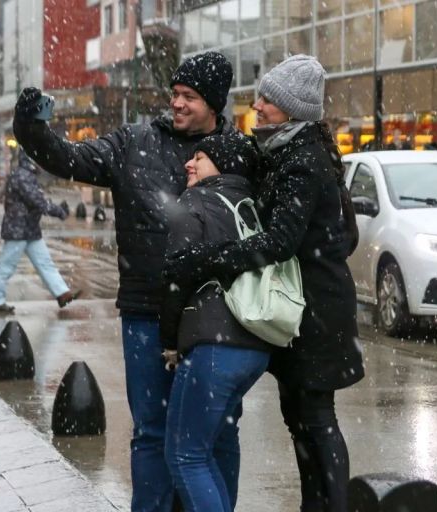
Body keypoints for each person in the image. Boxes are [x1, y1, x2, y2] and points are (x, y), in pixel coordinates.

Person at [13, 51, 236, 511]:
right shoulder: (134, 143)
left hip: (214, 316)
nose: (176, 104)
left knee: (215, 432)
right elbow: (69, 158)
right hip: (146, 312)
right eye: (174, 94)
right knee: (152, 431)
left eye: (189, 97)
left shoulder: (237, 153)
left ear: (214, 104)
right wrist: (32, 128)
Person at [164, 55, 364, 512]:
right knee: (299, 417)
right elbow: (343, 234)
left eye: (268, 99)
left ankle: (329, 506)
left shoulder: (303, 160)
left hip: (315, 310)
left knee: (315, 417)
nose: (257, 105)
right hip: (300, 304)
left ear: (292, 108)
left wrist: (208, 261)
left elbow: (278, 242)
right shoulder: (285, 150)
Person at [160, 132, 272, 511]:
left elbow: (175, 279)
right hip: (255, 343)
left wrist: (170, 342)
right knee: (220, 442)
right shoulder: (251, 205)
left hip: (212, 345)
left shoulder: (197, 200)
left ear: (222, 167)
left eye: (201, 158)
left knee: (185, 455)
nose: (189, 164)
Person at [0, 150, 78, 313]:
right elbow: (38, 201)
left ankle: (62, 293)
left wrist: (55, 208)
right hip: (19, 228)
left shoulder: (26, 175)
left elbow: (37, 200)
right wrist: (58, 211)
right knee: (7, 266)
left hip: (28, 228)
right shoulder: (23, 176)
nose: (41, 163)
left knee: (45, 263)